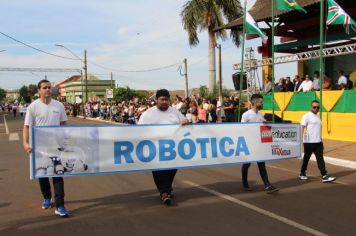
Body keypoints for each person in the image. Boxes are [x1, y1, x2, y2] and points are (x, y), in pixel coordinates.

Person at [22, 79, 70, 217]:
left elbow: (63, 124)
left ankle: (60, 205)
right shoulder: (33, 107)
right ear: (39, 90)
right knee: (42, 174)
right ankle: (47, 197)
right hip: (39, 147)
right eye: (44, 87)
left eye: (49, 87)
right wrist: (25, 143)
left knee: (58, 174)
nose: (48, 89)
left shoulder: (59, 105)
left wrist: (65, 140)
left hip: (56, 147)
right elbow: (26, 127)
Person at [138, 89, 189, 206]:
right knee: (159, 172)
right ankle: (164, 193)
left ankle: (167, 188)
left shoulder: (174, 111)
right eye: (162, 99)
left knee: (171, 170)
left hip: (173, 149)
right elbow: (139, 130)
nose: (164, 102)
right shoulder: (147, 114)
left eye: (166, 99)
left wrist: (186, 121)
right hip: (155, 149)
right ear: (156, 100)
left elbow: (184, 120)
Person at [240, 94, 279, 193]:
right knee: (246, 165)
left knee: (261, 164)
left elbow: (263, 126)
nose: (262, 103)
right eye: (261, 102)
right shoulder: (246, 115)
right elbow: (242, 129)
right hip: (249, 144)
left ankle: (267, 185)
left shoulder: (260, 114)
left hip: (259, 143)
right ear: (255, 102)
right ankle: (245, 183)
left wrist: (266, 123)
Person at [299, 100, 336, 183]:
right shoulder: (307, 116)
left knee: (320, 159)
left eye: (318, 107)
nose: (316, 108)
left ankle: (324, 175)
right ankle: (302, 173)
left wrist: (320, 139)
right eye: (314, 107)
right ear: (311, 107)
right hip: (308, 142)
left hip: (318, 142)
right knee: (306, 158)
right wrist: (300, 140)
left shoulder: (318, 116)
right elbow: (302, 127)